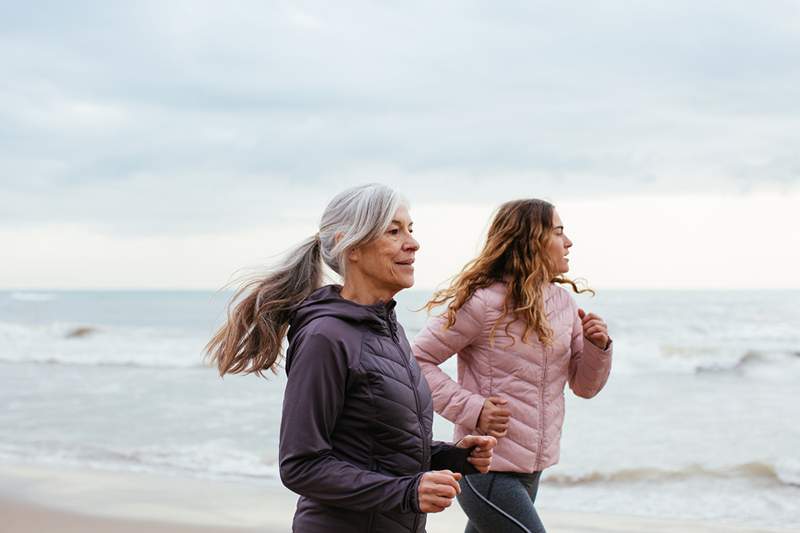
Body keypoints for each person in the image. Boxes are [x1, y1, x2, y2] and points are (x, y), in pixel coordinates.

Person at [206, 183, 496, 533]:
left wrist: (453, 456)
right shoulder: (324, 337)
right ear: (352, 247)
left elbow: (378, 445)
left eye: (410, 229)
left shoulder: (388, 328)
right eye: (393, 231)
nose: (413, 243)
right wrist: (406, 492)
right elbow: (301, 464)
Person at [412, 199, 612, 533]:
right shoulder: (482, 303)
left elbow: (584, 387)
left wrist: (597, 347)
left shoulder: (563, 304)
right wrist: (474, 409)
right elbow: (416, 363)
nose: (569, 242)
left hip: (533, 470)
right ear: (531, 240)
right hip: (484, 468)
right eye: (559, 232)